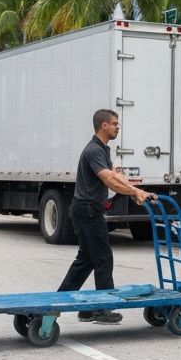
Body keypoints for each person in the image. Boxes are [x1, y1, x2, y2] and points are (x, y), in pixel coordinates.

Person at [57, 108, 151, 324]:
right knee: (103, 258)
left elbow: (115, 175)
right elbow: (108, 179)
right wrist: (135, 191)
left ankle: (69, 301)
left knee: (88, 258)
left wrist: (136, 190)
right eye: (115, 123)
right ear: (104, 125)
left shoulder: (102, 149)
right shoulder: (94, 150)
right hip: (87, 211)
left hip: (87, 209)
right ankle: (103, 308)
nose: (118, 126)